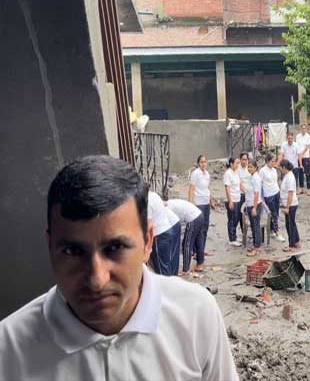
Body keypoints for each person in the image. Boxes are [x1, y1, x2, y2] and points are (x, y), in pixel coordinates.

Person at [0, 155, 238, 381]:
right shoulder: (9, 349)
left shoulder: (195, 314)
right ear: (50, 247)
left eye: (115, 247)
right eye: (73, 252)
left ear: (147, 242)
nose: (97, 279)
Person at [188, 155, 215, 272]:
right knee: (198, 230)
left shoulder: (207, 174)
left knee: (205, 228)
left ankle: (200, 250)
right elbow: (191, 188)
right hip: (198, 203)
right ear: (198, 163)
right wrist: (189, 204)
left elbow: (208, 189)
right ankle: (197, 252)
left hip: (206, 203)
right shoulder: (195, 173)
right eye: (201, 162)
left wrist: (211, 200)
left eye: (205, 162)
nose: (204, 164)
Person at [165, 199, 203, 276]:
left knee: (186, 244)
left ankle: (186, 270)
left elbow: (172, 224)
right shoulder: (170, 203)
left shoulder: (166, 209)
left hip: (193, 218)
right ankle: (200, 265)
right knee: (198, 242)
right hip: (199, 214)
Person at [147, 191, 181, 276]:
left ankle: (166, 287)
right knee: (169, 261)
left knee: (162, 269)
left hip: (159, 234)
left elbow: (149, 224)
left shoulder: (146, 201)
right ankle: (173, 283)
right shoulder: (154, 195)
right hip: (167, 230)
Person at [259, 154, 285, 242]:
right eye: (272, 161)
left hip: (276, 192)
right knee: (272, 213)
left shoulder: (274, 170)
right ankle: (276, 231)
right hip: (268, 194)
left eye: (275, 161)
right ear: (267, 161)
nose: (274, 163)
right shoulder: (262, 171)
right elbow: (260, 183)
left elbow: (276, 181)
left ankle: (271, 230)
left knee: (276, 213)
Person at [279, 159, 301, 252]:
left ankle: (291, 245)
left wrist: (287, 207)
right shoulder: (287, 175)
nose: (280, 169)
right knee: (292, 223)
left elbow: (290, 193)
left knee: (290, 225)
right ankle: (296, 241)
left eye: (280, 167)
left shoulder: (290, 177)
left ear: (284, 167)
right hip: (288, 203)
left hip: (291, 205)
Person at [223, 157, 243, 247]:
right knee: (232, 219)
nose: (238, 165)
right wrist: (230, 201)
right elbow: (227, 188)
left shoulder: (236, 172)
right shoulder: (228, 174)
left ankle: (234, 236)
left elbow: (240, 184)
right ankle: (231, 239)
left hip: (237, 198)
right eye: (236, 163)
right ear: (231, 164)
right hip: (231, 199)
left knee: (237, 218)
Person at [245, 160, 264, 256]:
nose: (249, 168)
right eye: (248, 167)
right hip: (249, 204)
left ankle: (257, 247)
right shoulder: (251, 177)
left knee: (256, 226)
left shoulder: (256, 178)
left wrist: (254, 208)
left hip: (254, 205)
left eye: (251, 167)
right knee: (253, 226)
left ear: (256, 168)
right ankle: (255, 245)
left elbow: (257, 194)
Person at [236, 152, 252, 244]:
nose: (245, 161)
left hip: (250, 195)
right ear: (240, 159)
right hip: (242, 195)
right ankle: (243, 233)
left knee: (250, 214)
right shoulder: (237, 169)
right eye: (243, 159)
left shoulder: (249, 168)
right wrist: (245, 193)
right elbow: (240, 183)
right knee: (241, 215)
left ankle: (251, 232)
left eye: (246, 159)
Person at [296, 124, 310, 195]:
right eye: (302, 129)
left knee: (308, 174)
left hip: (305, 156)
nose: (303, 130)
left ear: (306, 129)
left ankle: (308, 189)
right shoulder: (297, 136)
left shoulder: (308, 136)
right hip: (299, 157)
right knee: (300, 173)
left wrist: (302, 154)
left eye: (304, 129)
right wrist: (298, 155)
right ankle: (301, 188)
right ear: (300, 129)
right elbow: (297, 146)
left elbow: (307, 146)